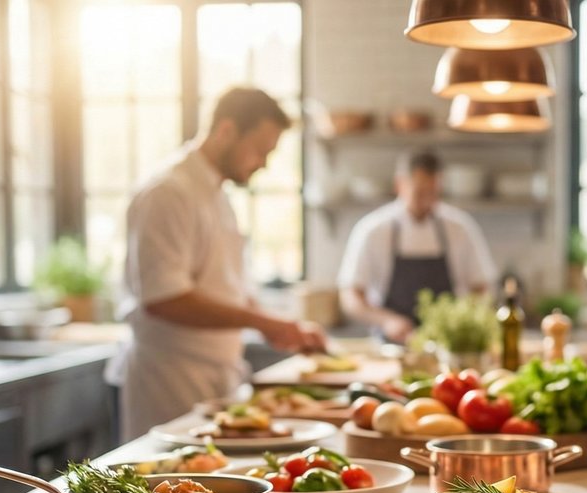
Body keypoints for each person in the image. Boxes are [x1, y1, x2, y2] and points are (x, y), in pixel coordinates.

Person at [108, 87, 327, 440]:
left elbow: (226, 286)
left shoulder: (217, 195)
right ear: (226, 130)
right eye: (259, 150)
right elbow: (164, 298)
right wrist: (265, 323)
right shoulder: (168, 193)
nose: (262, 163)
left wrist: (282, 325)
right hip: (170, 379)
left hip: (216, 376)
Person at [337, 150, 498, 343]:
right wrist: (387, 321)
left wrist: (466, 318)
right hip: (392, 345)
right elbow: (350, 297)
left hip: (449, 344)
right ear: (400, 185)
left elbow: (482, 288)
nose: (427, 201)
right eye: (420, 192)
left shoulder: (460, 228)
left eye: (433, 193)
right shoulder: (373, 230)